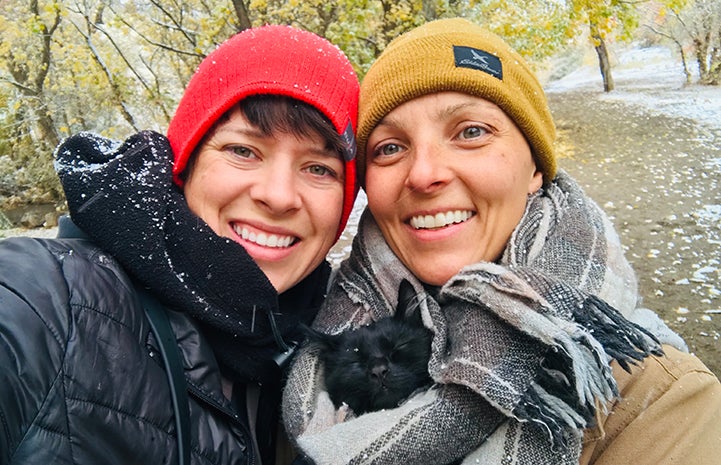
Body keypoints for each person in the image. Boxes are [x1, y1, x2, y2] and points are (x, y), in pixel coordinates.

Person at [282, 18, 721, 465]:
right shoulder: (303, 347)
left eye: (471, 131)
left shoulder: (662, 404)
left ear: (535, 167)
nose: (425, 173)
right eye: (390, 147)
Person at [0, 24, 359, 465]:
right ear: (185, 165)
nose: (279, 195)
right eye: (244, 151)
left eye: (319, 168)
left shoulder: (318, 344)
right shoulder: (44, 302)